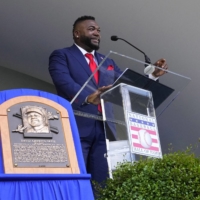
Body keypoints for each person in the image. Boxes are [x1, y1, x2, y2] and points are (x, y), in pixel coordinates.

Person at [49, 16, 168, 184]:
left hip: (106, 130)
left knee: (102, 183)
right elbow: (63, 81)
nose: (97, 33)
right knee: (74, 179)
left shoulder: (108, 61)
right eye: (91, 29)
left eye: (98, 30)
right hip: (76, 125)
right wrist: (87, 97)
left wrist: (152, 75)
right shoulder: (62, 55)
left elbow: (127, 86)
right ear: (77, 33)